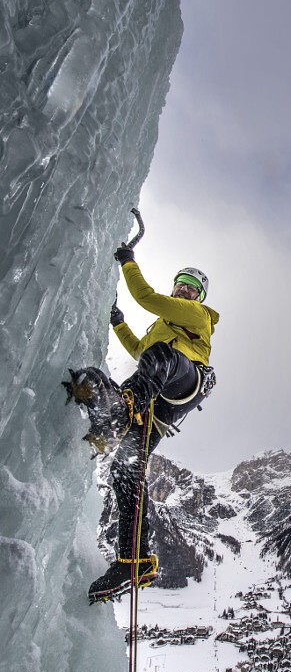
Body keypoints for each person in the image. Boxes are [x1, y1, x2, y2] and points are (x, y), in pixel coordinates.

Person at [79, 244, 219, 602]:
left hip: (186, 380)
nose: (186, 290)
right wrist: (118, 323)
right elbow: (140, 351)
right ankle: (133, 559)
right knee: (125, 473)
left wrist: (128, 261)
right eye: (182, 284)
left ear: (197, 298)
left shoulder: (197, 315)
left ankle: (122, 408)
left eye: (193, 288)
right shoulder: (161, 327)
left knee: (159, 359)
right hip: (156, 407)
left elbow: (145, 296)